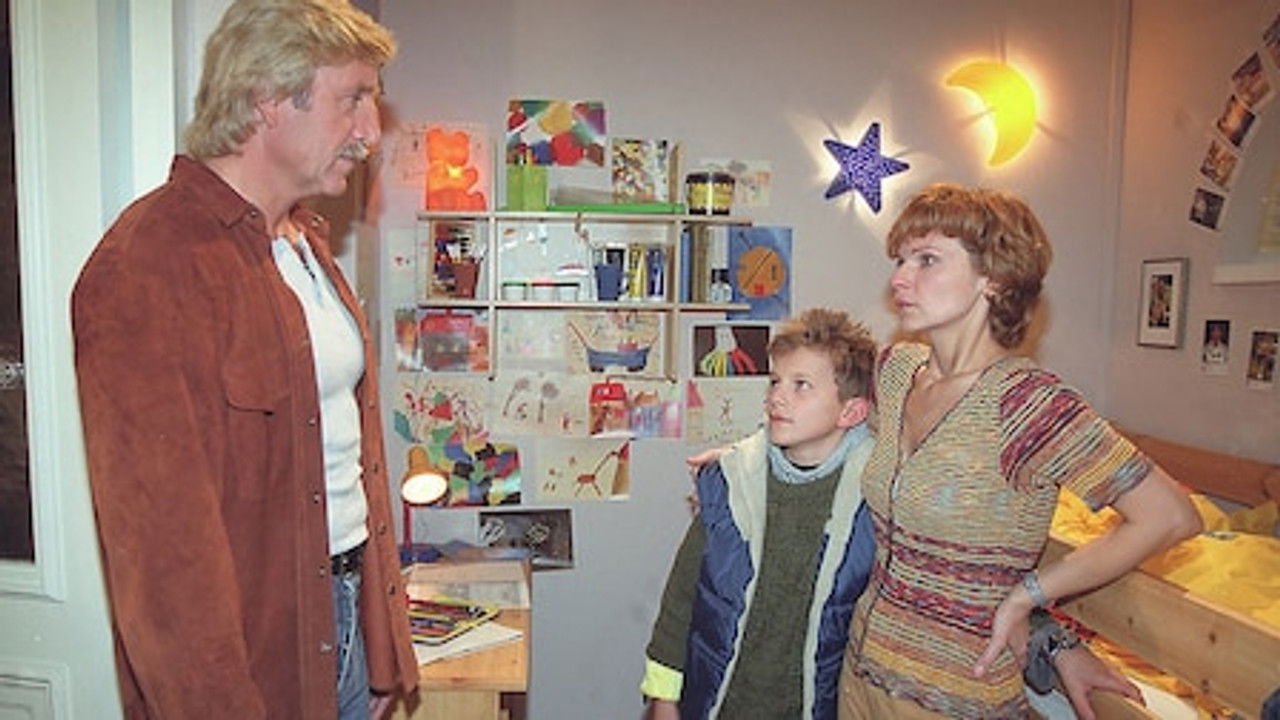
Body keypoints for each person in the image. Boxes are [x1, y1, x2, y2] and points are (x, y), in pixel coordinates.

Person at [71, 1, 417, 718]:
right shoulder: (147, 264)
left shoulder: (305, 245)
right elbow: (162, 564)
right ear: (267, 96)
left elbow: (346, 462)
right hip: (257, 664)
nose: (369, 131)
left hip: (343, 626)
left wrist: (377, 647)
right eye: (352, 99)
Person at [839, 183, 1202, 719]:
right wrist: (737, 462)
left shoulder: (1030, 404)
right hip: (859, 677)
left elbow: (1169, 516)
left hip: (958, 697)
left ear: (994, 277)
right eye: (901, 260)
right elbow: (820, 421)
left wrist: (1029, 596)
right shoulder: (895, 371)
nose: (899, 279)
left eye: (927, 260)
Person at [643, 308, 879, 719]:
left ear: (851, 412)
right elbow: (681, 597)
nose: (776, 397)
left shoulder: (874, 499)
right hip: (718, 705)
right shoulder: (731, 482)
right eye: (775, 381)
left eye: (801, 385)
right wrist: (663, 697)